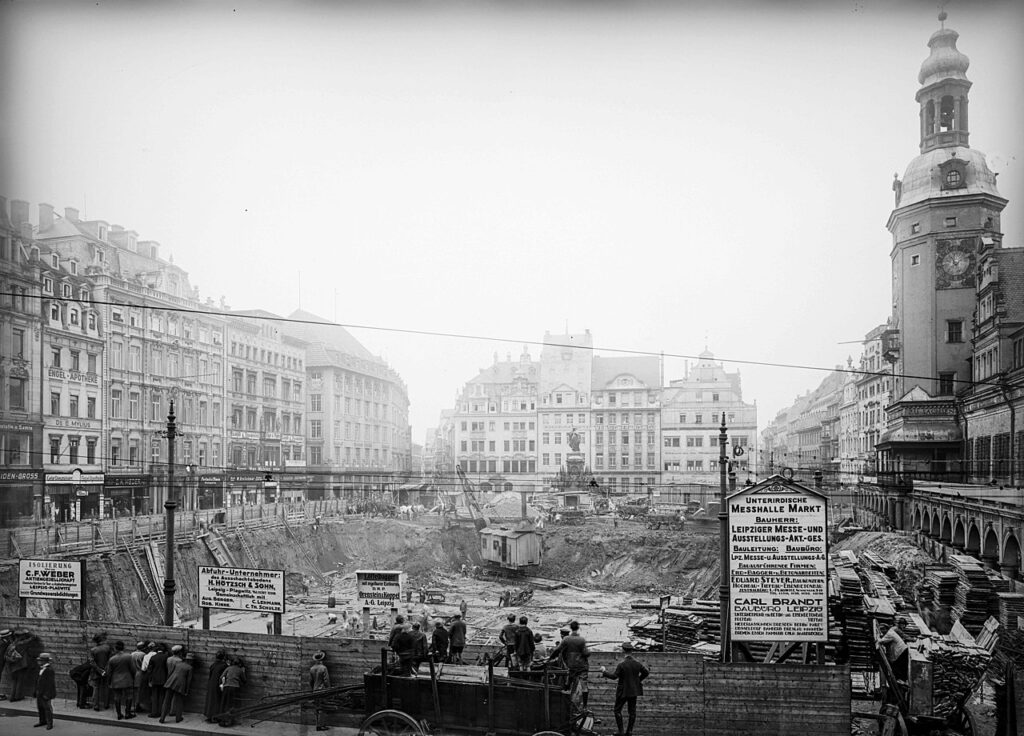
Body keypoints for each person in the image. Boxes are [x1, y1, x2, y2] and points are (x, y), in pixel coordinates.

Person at [601, 641, 650, 736]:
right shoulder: (637, 664)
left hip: (622, 691)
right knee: (632, 712)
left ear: (623, 651)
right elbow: (646, 673)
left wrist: (604, 671)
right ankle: (629, 732)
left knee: (617, 710)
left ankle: (621, 732)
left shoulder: (622, 665)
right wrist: (637, 681)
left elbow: (614, 676)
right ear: (631, 651)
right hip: (633, 691)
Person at [549, 621, 590, 709]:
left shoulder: (566, 639)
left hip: (572, 666)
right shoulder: (582, 639)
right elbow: (586, 653)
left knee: (568, 684)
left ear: (571, 628)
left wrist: (549, 658)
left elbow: (557, 650)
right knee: (584, 686)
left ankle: (565, 703)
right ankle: (585, 707)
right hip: (582, 666)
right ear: (578, 628)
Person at [9, 629, 43, 703]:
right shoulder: (22, 644)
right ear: (21, 636)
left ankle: (12, 697)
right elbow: (32, 639)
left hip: (12, 666)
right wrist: (29, 633)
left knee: (14, 682)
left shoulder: (12, 644)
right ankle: (17, 697)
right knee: (20, 682)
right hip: (20, 665)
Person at [106, 641, 137, 720]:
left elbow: (109, 672)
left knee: (117, 697)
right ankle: (127, 713)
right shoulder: (128, 657)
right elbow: (133, 669)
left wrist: (109, 682)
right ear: (123, 647)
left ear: (115, 648)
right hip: (127, 679)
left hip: (115, 681)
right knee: (129, 696)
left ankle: (119, 714)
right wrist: (133, 677)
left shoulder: (112, 659)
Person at [161, 652, 194, 723]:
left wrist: (167, 681)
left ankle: (162, 718)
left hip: (171, 682)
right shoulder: (190, 668)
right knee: (179, 701)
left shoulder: (178, 664)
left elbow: (171, 673)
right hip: (180, 685)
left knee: (166, 701)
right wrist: (186, 691)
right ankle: (178, 718)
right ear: (190, 661)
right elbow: (188, 681)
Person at [218, 656, 246, 727]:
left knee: (225, 703)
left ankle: (223, 720)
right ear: (239, 664)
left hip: (226, 687)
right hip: (235, 688)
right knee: (233, 704)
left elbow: (221, 677)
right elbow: (244, 680)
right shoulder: (240, 670)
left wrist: (221, 685)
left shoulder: (228, 668)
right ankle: (230, 721)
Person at [88, 632, 112, 711]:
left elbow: (92, 662)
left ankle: (96, 705)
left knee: (96, 688)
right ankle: (106, 704)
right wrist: (105, 670)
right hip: (107, 671)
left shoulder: (93, 650)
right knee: (106, 687)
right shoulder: (108, 648)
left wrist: (99, 670)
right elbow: (110, 660)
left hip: (96, 672)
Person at [204, 650, 229, 723]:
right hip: (218, 685)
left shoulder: (213, 665)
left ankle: (209, 716)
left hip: (211, 684)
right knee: (217, 701)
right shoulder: (224, 665)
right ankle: (216, 717)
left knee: (210, 700)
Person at [146, 643, 170, 719]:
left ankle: (154, 712)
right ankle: (161, 712)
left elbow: (149, 670)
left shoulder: (153, 658)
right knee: (162, 696)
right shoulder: (166, 657)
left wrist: (150, 680)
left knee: (154, 696)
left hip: (154, 679)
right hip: (163, 679)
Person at [34, 652, 56, 730]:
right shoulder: (41, 668)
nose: (39, 662)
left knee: (47, 708)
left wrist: (47, 694)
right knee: (40, 707)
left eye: (40, 660)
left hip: (45, 693)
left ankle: (49, 723)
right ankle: (42, 720)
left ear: (45, 661)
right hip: (39, 692)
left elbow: (50, 684)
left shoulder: (49, 670)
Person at [309, 651, 330, 731]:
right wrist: (328, 689)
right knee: (322, 708)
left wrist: (313, 689)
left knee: (316, 708)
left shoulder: (312, 669)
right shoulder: (323, 668)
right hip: (322, 691)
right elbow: (326, 681)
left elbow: (310, 681)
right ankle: (320, 726)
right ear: (322, 659)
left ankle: (317, 724)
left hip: (315, 690)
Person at [129, 642, 147, 717]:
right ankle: (137, 705)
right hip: (140, 673)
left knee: (132, 691)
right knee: (138, 691)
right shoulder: (143, 654)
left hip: (132, 673)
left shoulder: (131, 654)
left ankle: (132, 705)